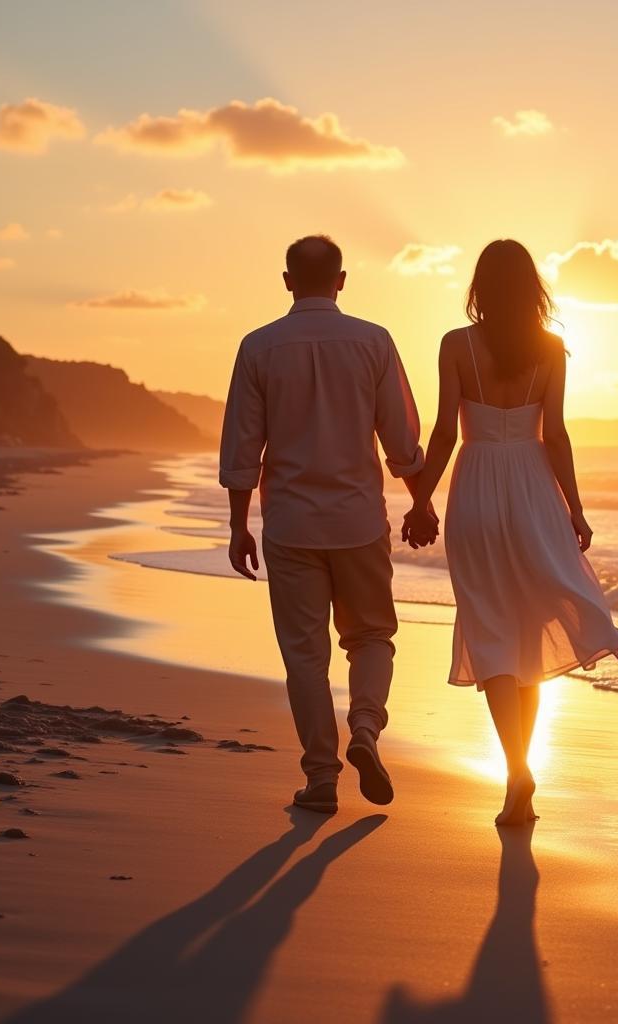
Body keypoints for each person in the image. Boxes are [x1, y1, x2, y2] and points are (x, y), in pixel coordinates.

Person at [402, 239, 618, 826]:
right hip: (534, 489)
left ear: (480, 287)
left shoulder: (457, 345)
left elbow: (443, 435)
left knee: (490, 629)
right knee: (530, 634)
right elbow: (554, 435)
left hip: (478, 486)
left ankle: (517, 769)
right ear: (531, 286)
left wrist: (421, 500)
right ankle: (519, 768)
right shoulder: (551, 349)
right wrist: (576, 510)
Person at [220, 235, 433, 815]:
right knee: (371, 638)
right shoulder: (373, 342)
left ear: (287, 281)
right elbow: (401, 439)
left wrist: (239, 526)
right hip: (360, 520)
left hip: (290, 524)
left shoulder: (258, 347)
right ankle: (364, 727)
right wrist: (420, 502)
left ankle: (321, 778)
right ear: (342, 280)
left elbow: (243, 446)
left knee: (304, 657)